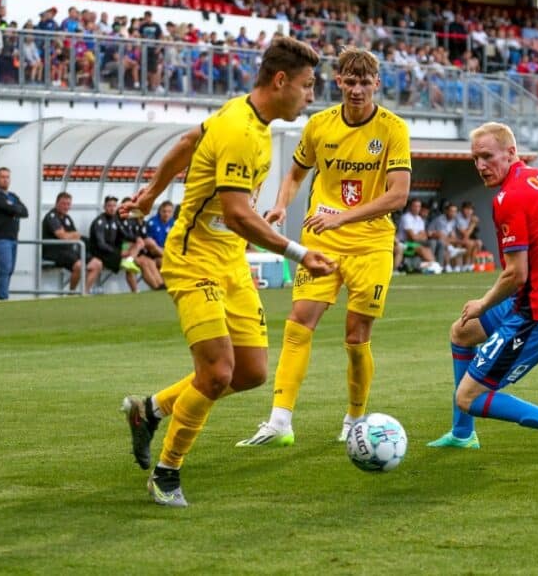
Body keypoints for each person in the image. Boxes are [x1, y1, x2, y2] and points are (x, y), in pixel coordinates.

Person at [117, 36, 335, 507]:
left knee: (252, 373)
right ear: (281, 81)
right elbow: (237, 214)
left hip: (230, 261)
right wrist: (300, 254)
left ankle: (150, 411)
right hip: (194, 259)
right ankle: (166, 473)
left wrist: (153, 192)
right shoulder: (239, 129)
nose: (310, 96)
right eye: (307, 85)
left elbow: (188, 142)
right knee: (216, 373)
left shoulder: (240, 116)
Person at [235, 46, 410, 448]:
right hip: (322, 239)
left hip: (371, 243)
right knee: (299, 321)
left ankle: (355, 418)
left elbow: (397, 196)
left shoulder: (393, 129)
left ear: (376, 84)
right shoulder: (319, 125)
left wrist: (342, 217)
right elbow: (296, 173)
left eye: (365, 82)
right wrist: (280, 204)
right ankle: (279, 422)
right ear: (339, 82)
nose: (356, 89)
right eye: (349, 81)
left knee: (355, 335)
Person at [426, 122, 538, 459]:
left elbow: (515, 274)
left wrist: (482, 303)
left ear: (511, 152)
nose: (481, 166)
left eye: (487, 156)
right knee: (461, 332)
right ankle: (462, 434)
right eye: (475, 159)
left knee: (469, 397)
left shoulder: (509, 197)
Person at [42, 192, 102, 293]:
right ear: (57, 203)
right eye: (63, 204)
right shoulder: (51, 217)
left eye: (68, 204)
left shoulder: (67, 218)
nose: (66, 207)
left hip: (68, 250)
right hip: (54, 251)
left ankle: (85, 293)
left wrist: (71, 235)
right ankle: (72, 293)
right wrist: (71, 235)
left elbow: (75, 236)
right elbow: (63, 237)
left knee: (97, 264)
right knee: (79, 265)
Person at [0, 167, 28, 300]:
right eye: (2, 177)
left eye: (7, 177)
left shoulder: (13, 196)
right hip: (0, 237)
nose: (5, 180)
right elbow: (7, 207)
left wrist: (13, 209)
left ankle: (4, 295)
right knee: (5, 267)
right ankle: (3, 298)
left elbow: (25, 212)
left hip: (12, 237)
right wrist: (15, 209)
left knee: (10, 269)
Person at [397, 198, 438, 272]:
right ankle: (433, 266)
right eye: (415, 206)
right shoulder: (406, 217)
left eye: (419, 206)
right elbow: (412, 237)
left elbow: (424, 236)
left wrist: (417, 236)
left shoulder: (419, 219)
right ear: (410, 207)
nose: (417, 208)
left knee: (427, 249)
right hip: (404, 243)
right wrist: (418, 235)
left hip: (414, 243)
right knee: (421, 249)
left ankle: (432, 265)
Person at [142, 200, 175, 267]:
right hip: (153, 253)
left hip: (166, 252)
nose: (166, 214)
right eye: (164, 211)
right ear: (160, 211)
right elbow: (150, 245)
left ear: (172, 213)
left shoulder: (174, 223)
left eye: (169, 212)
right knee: (150, 242)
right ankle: (171, 259)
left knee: (164, 263)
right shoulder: (152, 222)